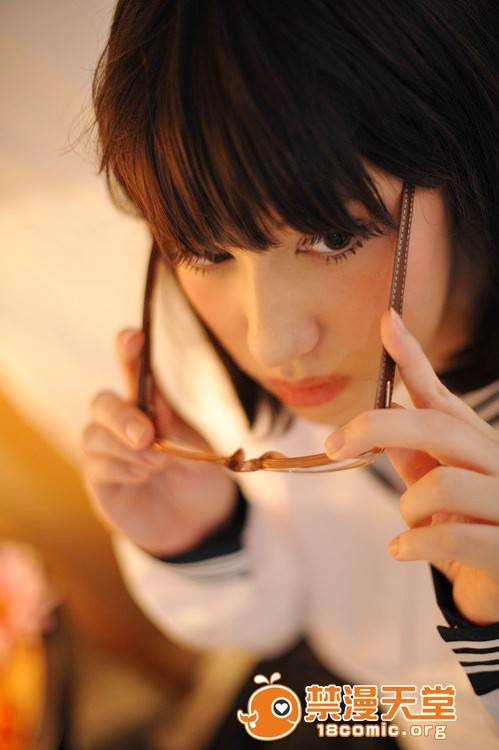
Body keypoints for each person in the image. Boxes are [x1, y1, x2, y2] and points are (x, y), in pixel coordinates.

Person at [80, 2, 499, 747]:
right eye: (207, 251)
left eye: (332, 236)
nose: (270, 346)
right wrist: (201, 539)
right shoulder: (203, 365)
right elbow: (277, 621)